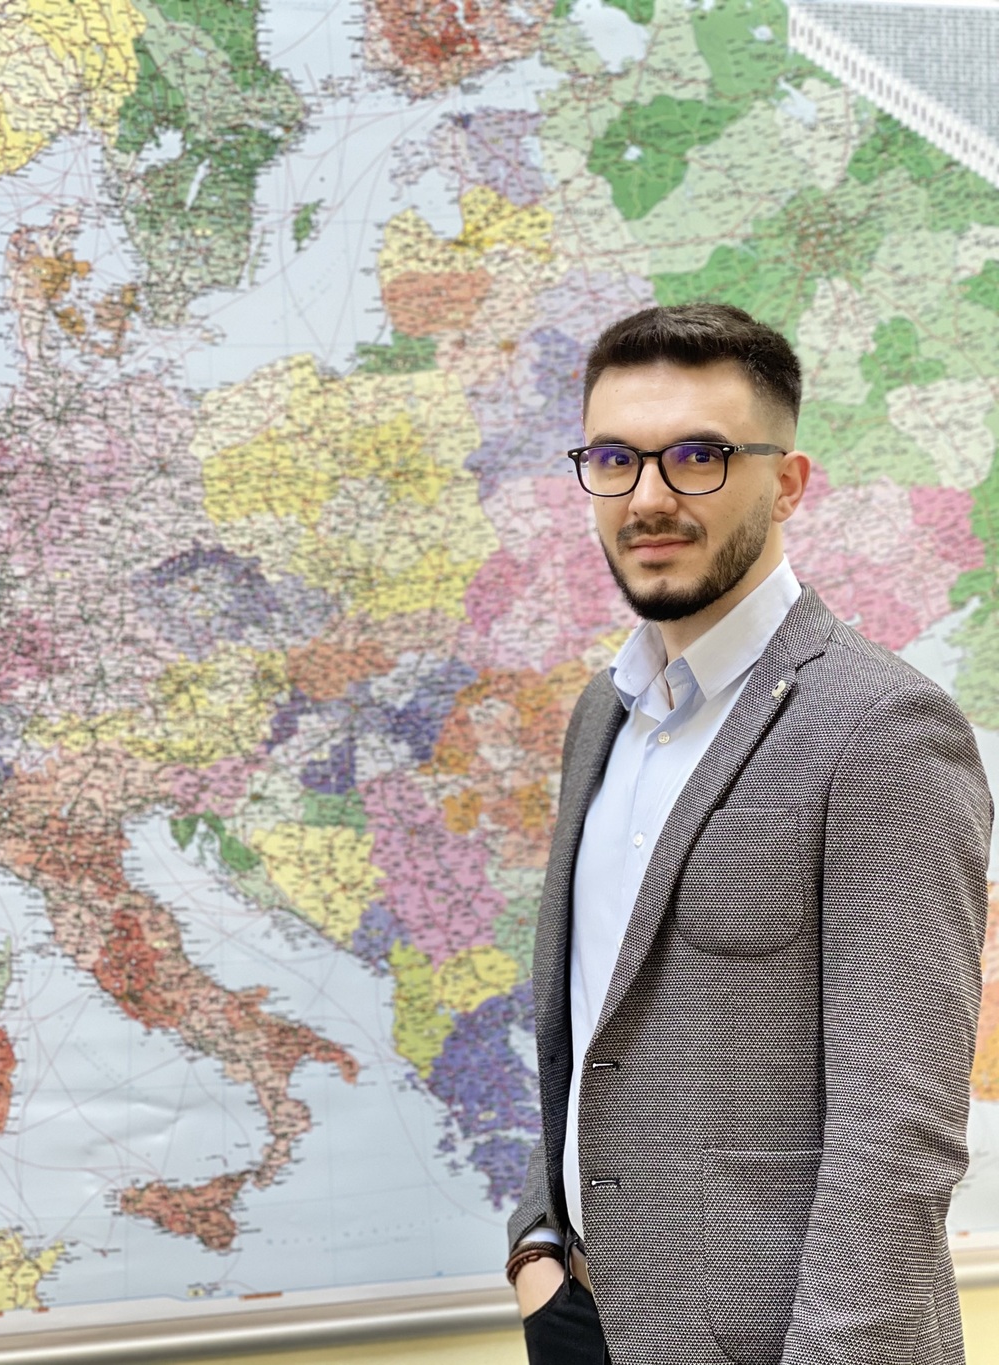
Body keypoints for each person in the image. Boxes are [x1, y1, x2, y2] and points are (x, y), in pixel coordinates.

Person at [505, 302, 992, 1365]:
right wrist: (537, 1249)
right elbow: (591, 1019)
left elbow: (898, 1138)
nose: (648, 498)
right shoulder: (601, 713)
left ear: (788, 482)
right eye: (614, 459)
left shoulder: (882, 727)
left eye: (699, 456)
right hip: (582, 1320)